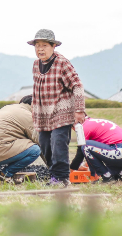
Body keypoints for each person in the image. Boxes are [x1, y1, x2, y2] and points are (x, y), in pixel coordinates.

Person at [29, 29, 86, 188]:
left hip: (62, 112)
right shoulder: (35, 65)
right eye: (37, 45)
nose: (40, 49)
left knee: (58, 144)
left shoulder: (62, 63)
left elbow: (77, 85)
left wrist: (79, 110)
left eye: (44, 45)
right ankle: (54, 175)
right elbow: (36, 89)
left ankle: (61, 178)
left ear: (53, 46)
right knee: (45, 146)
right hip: (43, 114)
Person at [70, 115, 122, 182]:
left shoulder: (83, 127)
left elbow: (80, 155)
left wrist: (69, 171)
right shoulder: (94, 122)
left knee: (86, 146)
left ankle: (107, 176)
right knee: (102, 149)